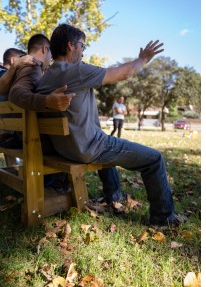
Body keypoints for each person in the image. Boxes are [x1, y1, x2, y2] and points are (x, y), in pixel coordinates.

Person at [36, 23, 180, 227]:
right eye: (82, 46)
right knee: (154, 159)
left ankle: (112, 195)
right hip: (87, 147)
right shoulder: (75, 70)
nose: (83, 51)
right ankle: (163, 218)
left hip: (65, 148)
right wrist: (143, 59)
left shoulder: (45, 77)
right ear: (70, 45)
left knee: (108, 141)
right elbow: (124, 73)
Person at [9, 34, 125, 203]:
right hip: (51, 145)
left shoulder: (37, 73)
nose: (51, 59)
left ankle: (60, 184)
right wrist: (47, 101)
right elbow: (17, 94)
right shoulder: (33, 68)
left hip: (50, 140)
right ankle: (114, 195)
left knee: (84, 139)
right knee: (97, 143)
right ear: (45, 49)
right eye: (50, 54)